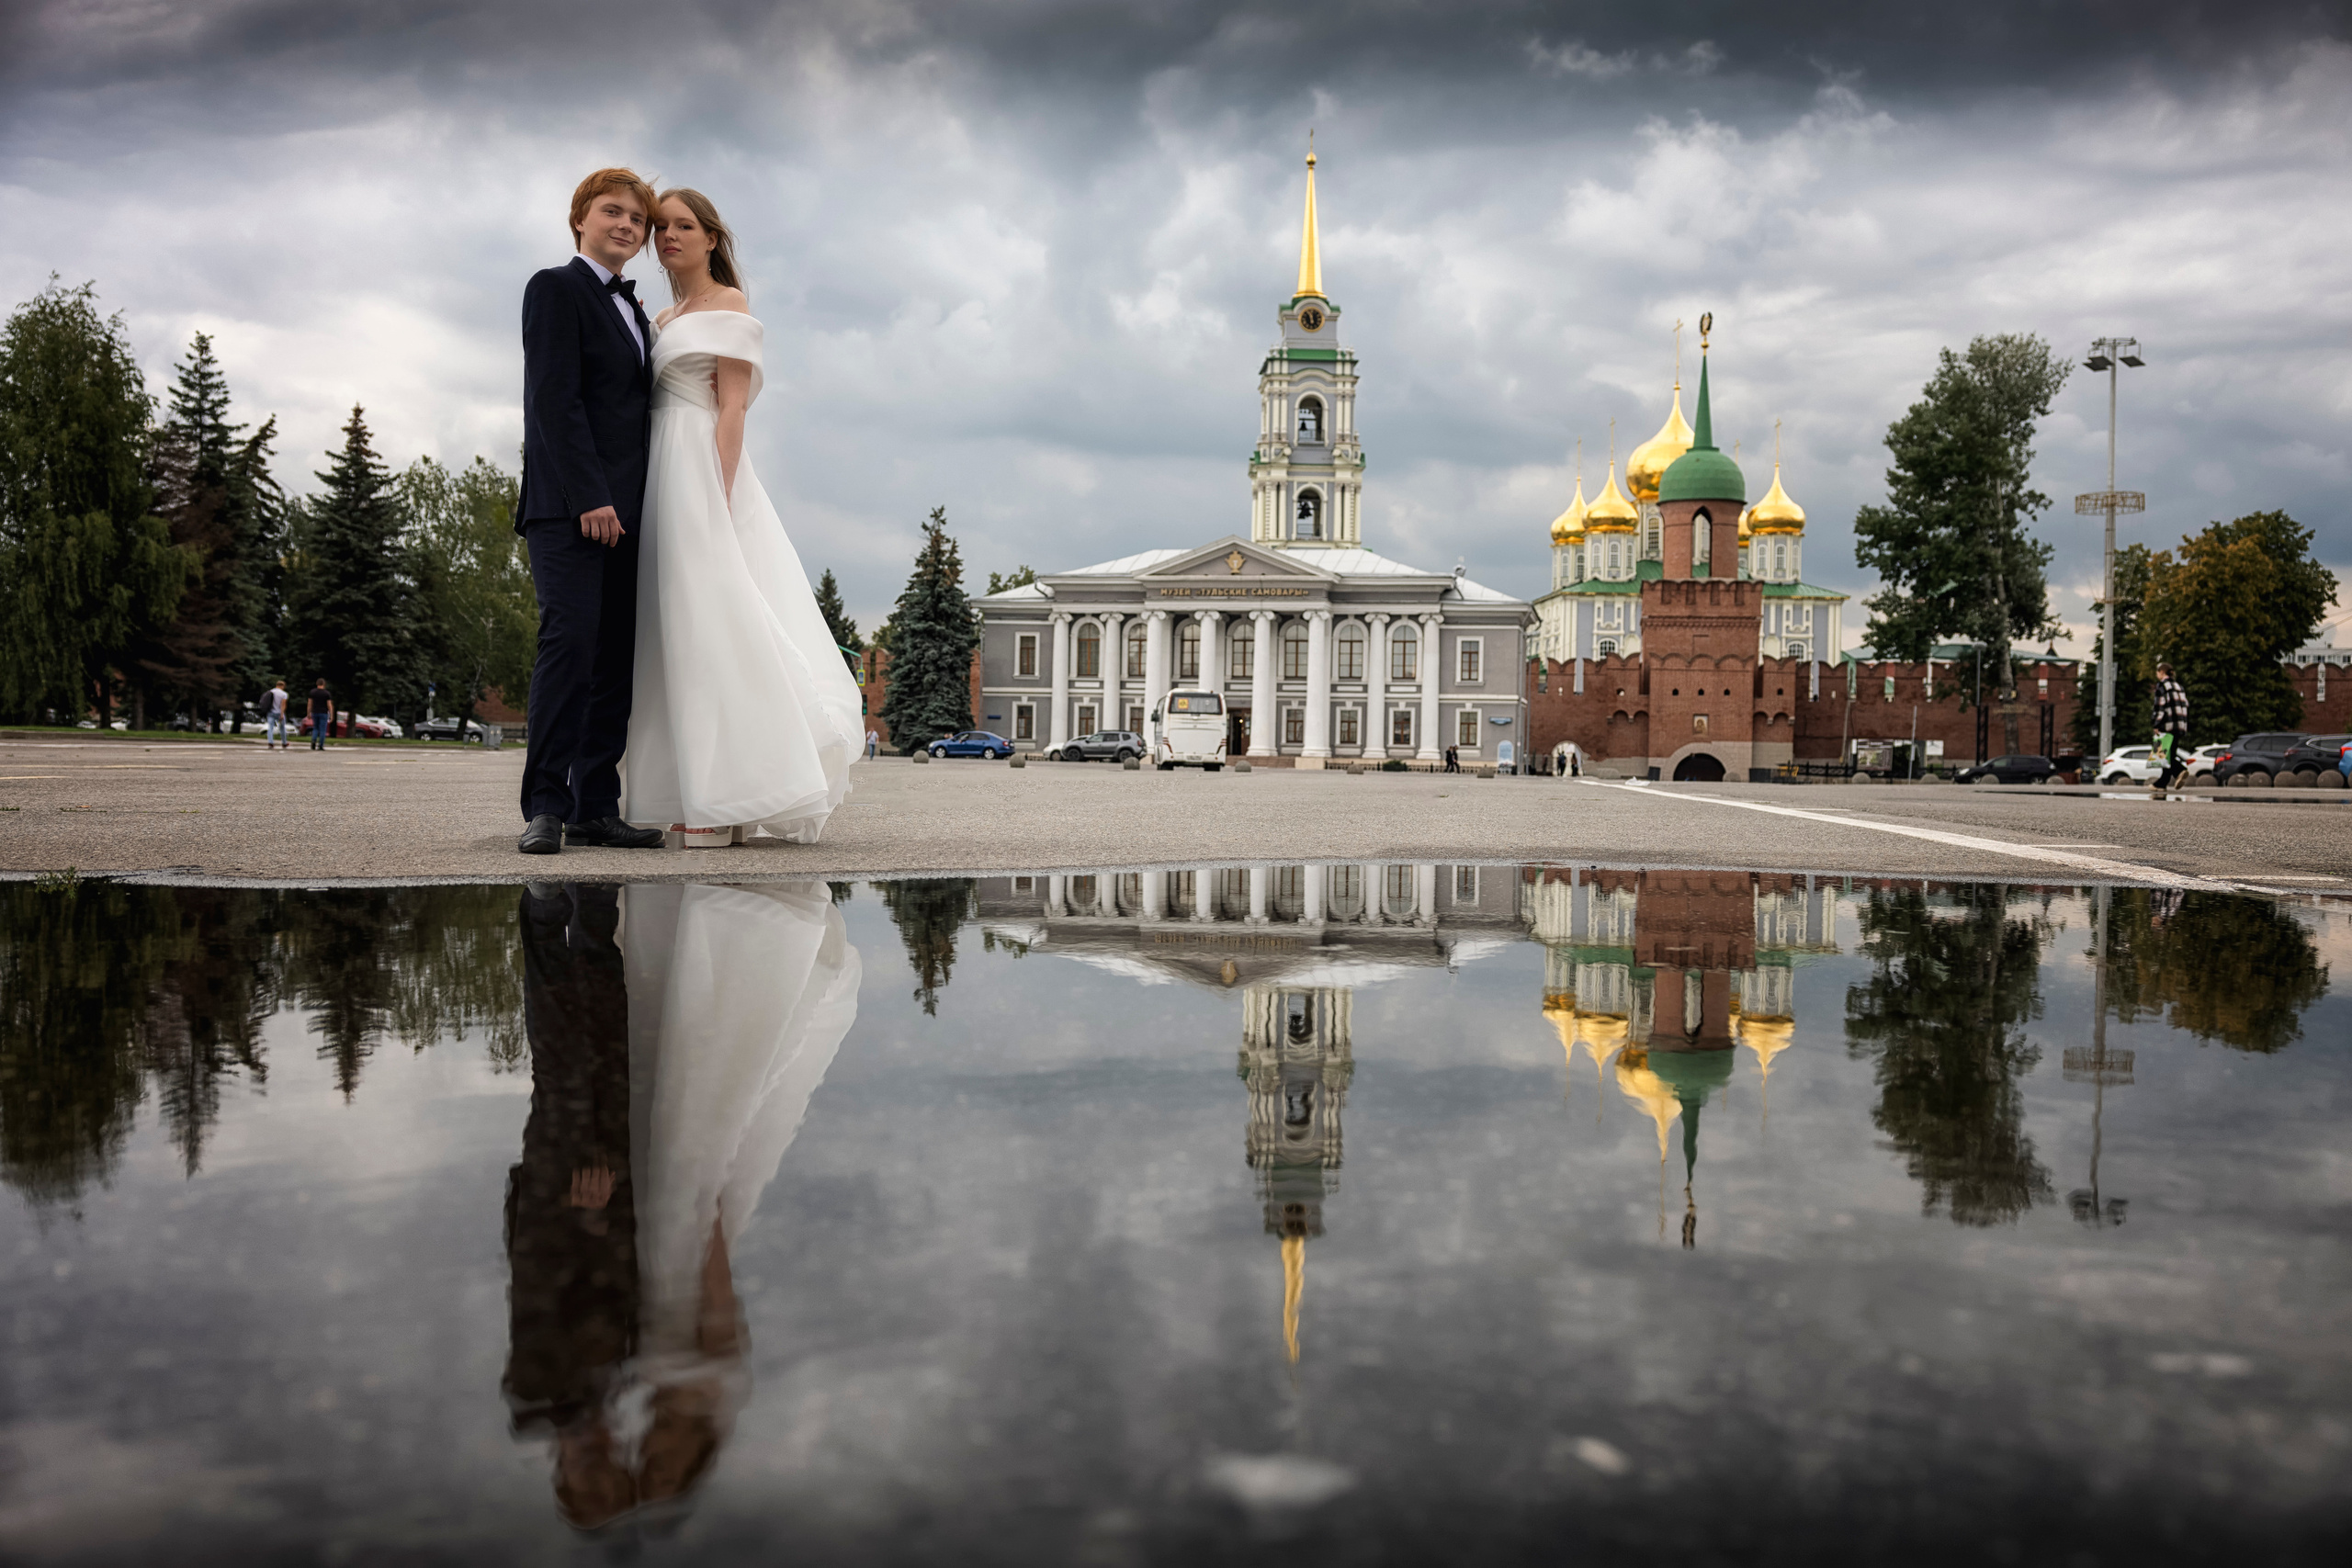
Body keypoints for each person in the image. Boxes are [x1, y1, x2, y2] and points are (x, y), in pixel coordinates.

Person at [617, 188, 862, 848]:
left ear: (711, 238)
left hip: (700, 468)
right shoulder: (663, 315)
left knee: (713, 623)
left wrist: (718, 498)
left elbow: (732, 410)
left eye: (684, 226)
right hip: (657, 471)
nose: (669, 236)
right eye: (661, 226)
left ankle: (728, 798)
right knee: (671, 631)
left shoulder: (730, 306)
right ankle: (691, 787)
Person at [514, 169, 670, 857]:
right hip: (570, 509)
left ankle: (595, 808)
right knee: (569, 648)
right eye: (613, 212)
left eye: (638, 219)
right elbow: (555, 400)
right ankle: (545, 806)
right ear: (580, 217)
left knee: (614, 664)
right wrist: (590, 497)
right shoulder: (555, 287)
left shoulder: (634, 312)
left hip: (630, 515)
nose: (627, 226)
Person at [2152, 661, 2189, 793]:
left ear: (2162, 672)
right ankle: (2162, 783)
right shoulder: (2179, 686)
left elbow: (2160, 707)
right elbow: (2185, 705)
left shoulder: (2162, 686)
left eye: (2157, 673)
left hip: (2166, 725)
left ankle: (2180, 770)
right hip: (2179, 725)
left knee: (2164, 755)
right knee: (2170, 753)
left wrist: (2156, 724)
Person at [306, 678, 334, 750]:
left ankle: (313, 740)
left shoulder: (312, 692)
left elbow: (309, 703)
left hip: (315, 712)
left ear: (317, 684)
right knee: (323, 729)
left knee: (315, 728)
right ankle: (321, 745)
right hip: (324, 712)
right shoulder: (326, 693)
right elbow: (329, 705)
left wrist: (308, 713)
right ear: (324, 684)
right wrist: (331, 715)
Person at [265, 680, 289, 750]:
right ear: (282, 686)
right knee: (282, 728)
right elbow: (283, 705)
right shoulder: (284, 694)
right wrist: (282, 714)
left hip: (270, 712)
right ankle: (284, 743)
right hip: (279, 712)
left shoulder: (270, 692)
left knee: (270, 728)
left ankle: (270, 742)